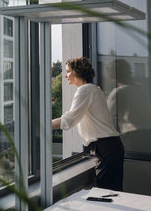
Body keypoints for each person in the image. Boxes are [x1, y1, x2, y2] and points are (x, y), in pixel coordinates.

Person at [51, 57, 124, 191]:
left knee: (106, 192)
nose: (65, 75)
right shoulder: (93, 89)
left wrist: (43, 124)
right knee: (113, 192)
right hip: (109, 146)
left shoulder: (85, 90)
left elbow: (69, 120)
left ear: (77, 72)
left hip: (106, 147)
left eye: (68, 71)